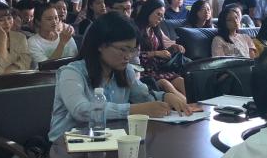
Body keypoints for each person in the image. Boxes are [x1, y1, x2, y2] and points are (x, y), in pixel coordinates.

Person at [48, 13, 193, 142]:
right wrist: (133, 110)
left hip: (109, 141)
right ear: (100, 45)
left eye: (132, 50)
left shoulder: (126, 71)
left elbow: (143, 97)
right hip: (67, 145)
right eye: (123, 49)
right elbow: (81, 110)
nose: (128, 56)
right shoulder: (72, 72)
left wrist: (164, 97)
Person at [134, 0, 188, 96]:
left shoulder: (154, 30)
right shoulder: (135, 30)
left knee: (181, 80)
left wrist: (172, 49)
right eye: (158, 14)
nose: (161, 19)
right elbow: (133, 56)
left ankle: (194, 103)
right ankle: (186, 104)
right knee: (165, 84)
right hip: (142, 71)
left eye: (162, 16)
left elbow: (160, 52)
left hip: (157, 69)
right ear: (148, 11)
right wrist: (155, 53)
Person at [28, 1, 79, 67]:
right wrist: (61, 44)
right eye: (49, 19)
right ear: (38, 22)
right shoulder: (33, 42)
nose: (54, 22)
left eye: (56, 18)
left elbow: (76, 61)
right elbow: (47, 68)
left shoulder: (65, 36)